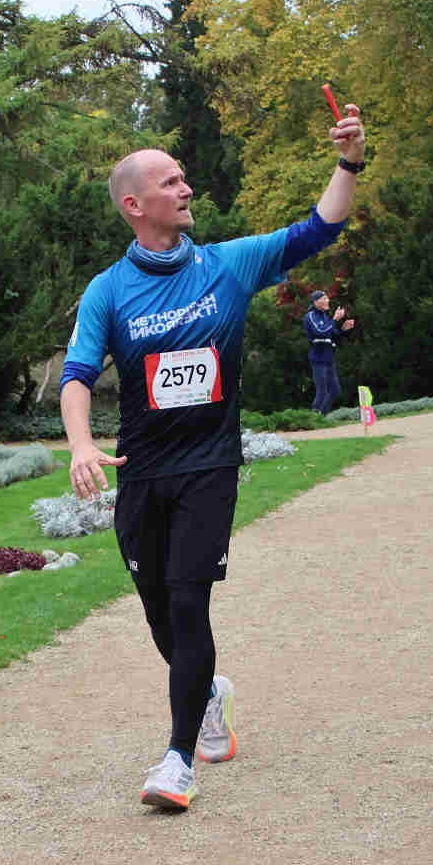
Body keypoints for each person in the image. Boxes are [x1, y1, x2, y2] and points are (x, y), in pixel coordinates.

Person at [59, 103, 366, 810]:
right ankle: (209, 692)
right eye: (171, 181)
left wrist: (348, 161)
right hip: (141, 474)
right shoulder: (108, 291)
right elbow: (77, 376)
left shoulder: (228, 265)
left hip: (208, 466)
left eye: (184, 177)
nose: (187, 187)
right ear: (136, 205)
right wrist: (81, 443)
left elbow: (319, 227)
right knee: (160, 615)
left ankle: (176, 760)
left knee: (189, 602)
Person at [303, 290, 355, 415]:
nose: (328, 301)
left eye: (327, 298)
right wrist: (335, 319)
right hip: (318, 358)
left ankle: (322, 416)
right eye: (325, 298)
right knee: (322, 391)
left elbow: (333, 335)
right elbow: (320, 332)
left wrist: (344, 329)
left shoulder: (325, 317)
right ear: (316, 302)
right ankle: (313, 418)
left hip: (329, 358)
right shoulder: (310, 316)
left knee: (335, 390)